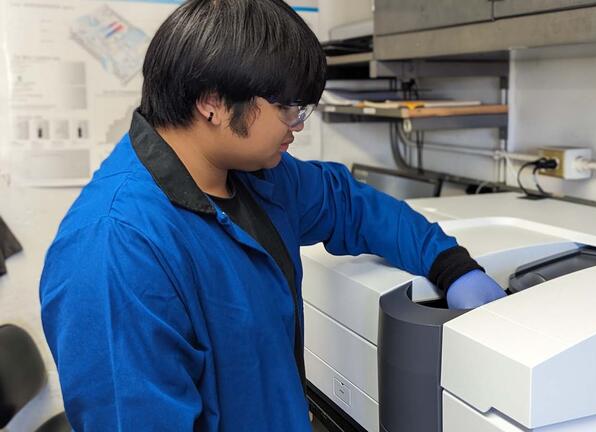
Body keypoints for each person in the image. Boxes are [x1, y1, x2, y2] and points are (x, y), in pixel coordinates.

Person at [39, 0, 506, 430]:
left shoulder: (255, 176)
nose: (297, 126)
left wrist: (450, 265)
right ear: (212, 102)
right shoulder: (114, 250)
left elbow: (348, 203)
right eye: (287, 109)